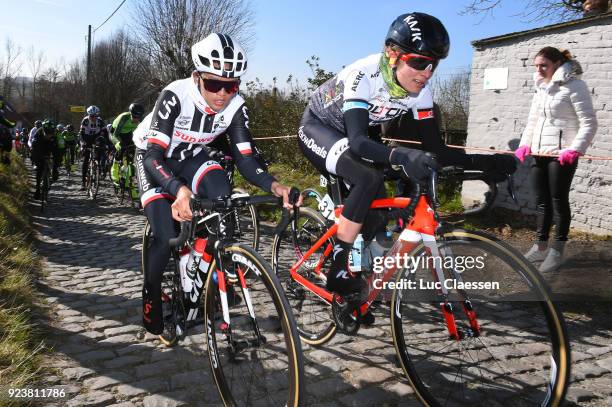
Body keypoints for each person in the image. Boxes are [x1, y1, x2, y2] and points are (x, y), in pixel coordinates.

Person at [298, 12, 517, 299]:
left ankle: (359, 280)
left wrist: (485, 162)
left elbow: (437, 150)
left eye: (433, 65)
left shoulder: (420, 93)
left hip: (358, 135)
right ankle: (338, 268)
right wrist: (402, 156)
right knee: (367, 177)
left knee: (378, 208)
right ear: (393, 54)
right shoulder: (363, 75)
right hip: (320, 127)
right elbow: (359, 142)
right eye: (419, 62)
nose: (427, 73)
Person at [134, 33, 300, 336]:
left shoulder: (235, 106)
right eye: (214, 84)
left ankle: (201, 272)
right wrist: (178, 190)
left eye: (231, 85)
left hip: (191, 156)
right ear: (197, 77)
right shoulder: (175, 95)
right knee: (163, 231)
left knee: (222, 194)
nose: (222, 93)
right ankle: (151, 294)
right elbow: (153, 156)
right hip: (155, 159)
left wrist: (276, 186)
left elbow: (246, 159)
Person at [515, 47, 597, 272]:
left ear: (557, 64)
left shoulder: (575, 86)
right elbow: (533, 120)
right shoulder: (540, 87)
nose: (539, 70)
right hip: (539, 153)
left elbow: (589, 122)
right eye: (536, 66)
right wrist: (524, 144)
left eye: (544, 65)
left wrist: (575, 149)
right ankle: (541, 247)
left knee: (558, 201)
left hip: (561, 155)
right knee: (541, 201)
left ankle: (556, 252)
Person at [110, 103, 144, 189]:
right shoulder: (125, 118)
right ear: (130, 113)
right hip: (116, 133)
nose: (136, 119)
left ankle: (127, 173)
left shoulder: (141, 119)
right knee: (121, 148)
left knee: (133, 151)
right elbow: (114, 135)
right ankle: (114, 168)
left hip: (128, 132)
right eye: (134, 117)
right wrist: (117, 143)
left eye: (138, 117)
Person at [79, 105, 106, 189]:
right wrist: (83, 144)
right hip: (86, 137)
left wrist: (106, 144)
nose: (93, 118)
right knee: (86, 160)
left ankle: (97, 173)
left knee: (99, 153)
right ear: (89, 115)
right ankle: (83, 182)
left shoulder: (100, 121)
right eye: (91, 116)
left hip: (96, 137)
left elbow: (105, 132)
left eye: (95, 116)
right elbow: (81, 134)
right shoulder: (85, 121)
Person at [30, 119, 56, 199]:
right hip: (40, 148)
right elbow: (34, 147)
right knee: (39, 170)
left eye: (50, 134)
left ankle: (51, 175)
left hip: (50, 147)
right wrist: (35, 159)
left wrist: (57, 160)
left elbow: (59, 149)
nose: (48, 136)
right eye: (46, 134)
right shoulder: (38, 133)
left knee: (55, 165)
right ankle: (37, 190)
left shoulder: (56, 134)